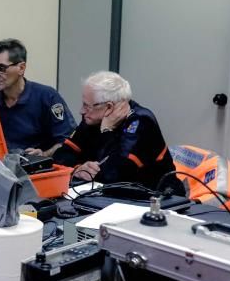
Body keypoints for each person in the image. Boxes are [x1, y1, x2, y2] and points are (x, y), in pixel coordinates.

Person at [53, 71, 183, 195]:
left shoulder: (141, 121)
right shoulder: (92, 118)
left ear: (109, 107)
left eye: (87, 106)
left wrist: (107, 130)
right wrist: (77, 169)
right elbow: (60, 156)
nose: (81, 111)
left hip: (155, 198)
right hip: (106, 195)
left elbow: (114, 175)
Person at [0, 38, 76, 156]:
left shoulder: (47, 97)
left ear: (21, 68)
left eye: (1, 69)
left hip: (33, 169)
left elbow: (68, 142)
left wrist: (44, 154)